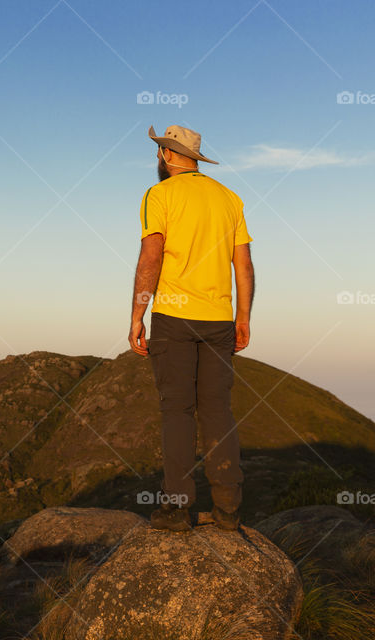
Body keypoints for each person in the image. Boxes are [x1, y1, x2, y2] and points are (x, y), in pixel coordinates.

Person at [128, 125, 255, 532]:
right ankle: (229, 510)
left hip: (173, 317)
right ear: (194, 158)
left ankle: (178, 510)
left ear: (166, 155)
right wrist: (243, 317)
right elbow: (243, 265)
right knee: (218, 411)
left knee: (177, 412)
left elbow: (152, 256)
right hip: (219, 320)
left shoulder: (159, 195)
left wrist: (137, 315)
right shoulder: (229, 198)